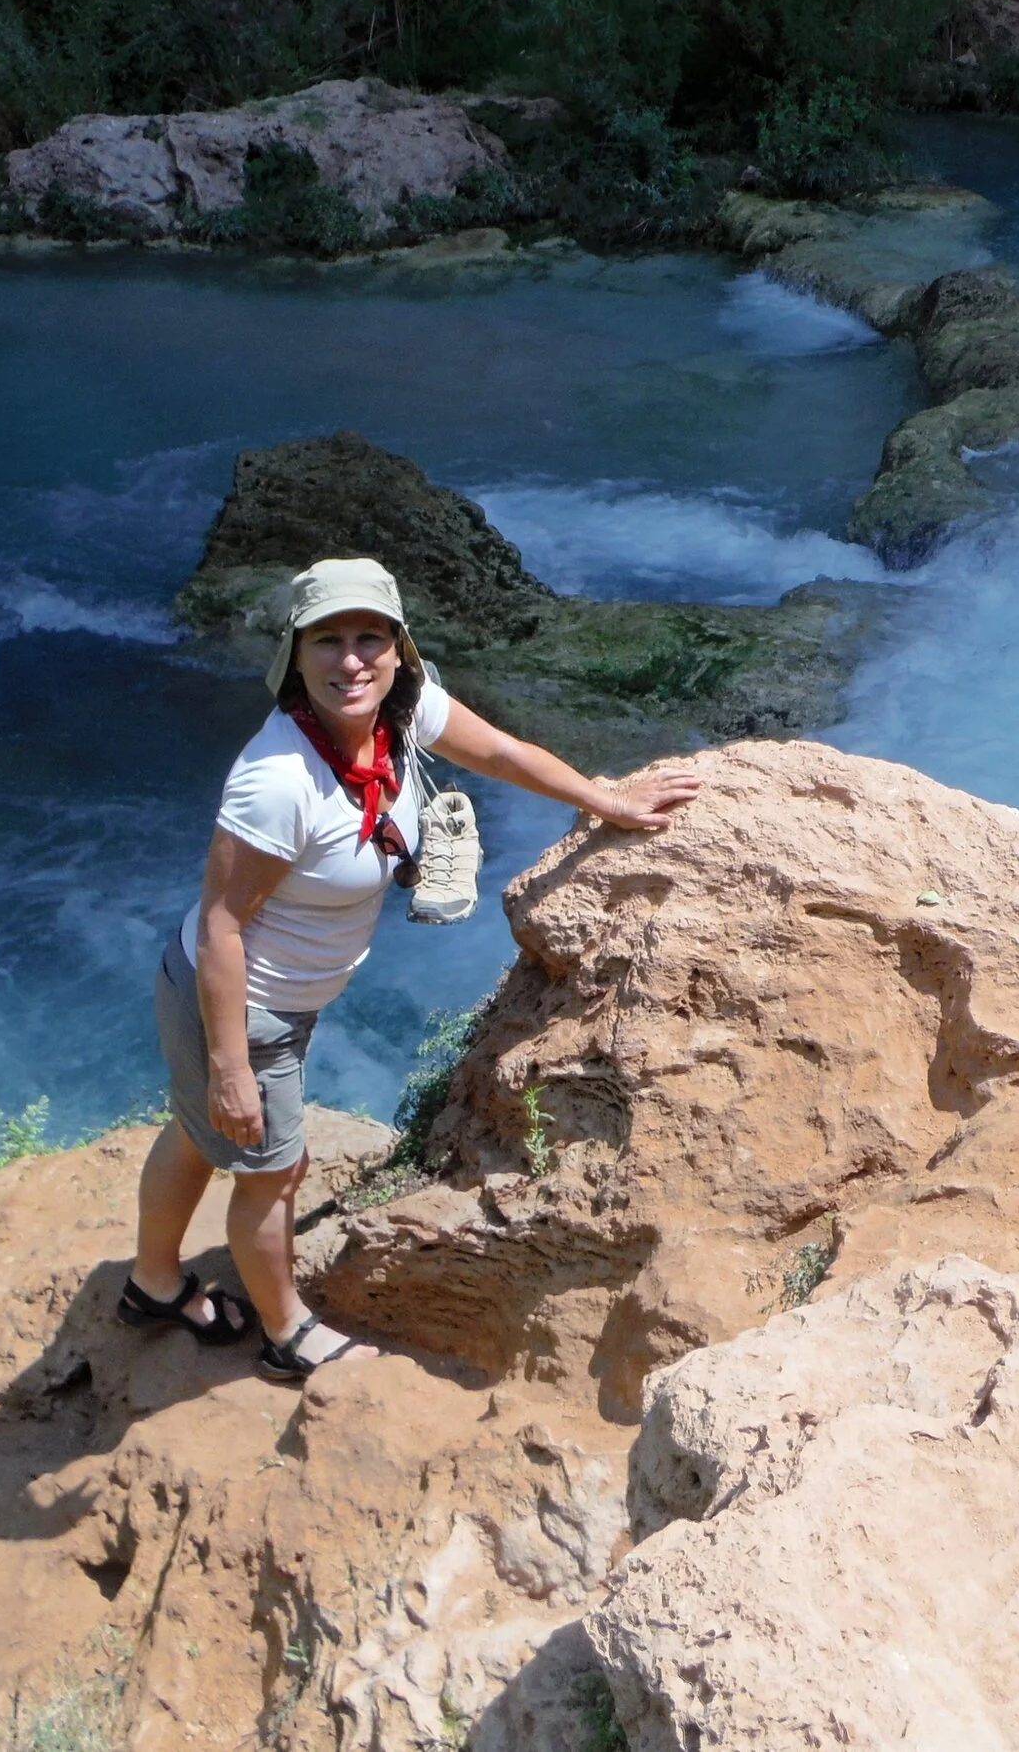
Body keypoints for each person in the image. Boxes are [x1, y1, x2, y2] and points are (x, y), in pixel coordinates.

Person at [118, 558, 701, 1382]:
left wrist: (605, 798)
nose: (350, 660)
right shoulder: (277, 780)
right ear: (296, 653)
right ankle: (288, 1336)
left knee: (199, 1137)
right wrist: (228, 1068)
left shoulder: (400, 712)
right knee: (276, 1172)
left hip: (278, 1000)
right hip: (239, 1006)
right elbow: (220, 925)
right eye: (328, 640)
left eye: (369, 638)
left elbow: (496, 750)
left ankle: (152, 1282)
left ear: (398, 649)